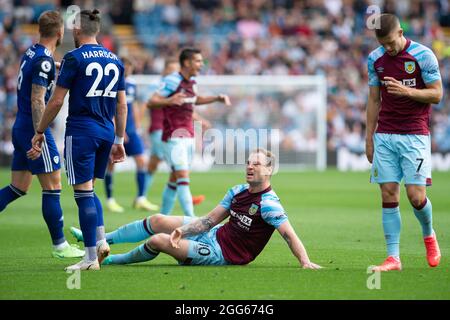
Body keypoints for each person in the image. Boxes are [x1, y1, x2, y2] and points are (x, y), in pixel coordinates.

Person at [70, 149, 322, 269]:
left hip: (222, 255)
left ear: (269, 170)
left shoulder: (269, 205)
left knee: (159, 240)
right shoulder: (237, 191)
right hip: (213, 235)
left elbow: (289, 234)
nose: (249, 167)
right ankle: (98, 239)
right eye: (248, 163)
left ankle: (110, 260)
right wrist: (185, 230)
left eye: (256, 164)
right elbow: (210, 220)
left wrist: (305, 262)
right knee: (158, 220)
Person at [28, 9, 127, 271]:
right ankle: (101, 240)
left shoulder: (74, 57)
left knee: (83, 194)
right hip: (107, 131)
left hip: (82, 131)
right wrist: (119, 139)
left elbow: (57, 100)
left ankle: (90, 258)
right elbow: (122, 105)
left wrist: (40, 130)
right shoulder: (116, 60)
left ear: (76, 30)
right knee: (90, 189)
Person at [0, 10, 84, 259]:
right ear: (60, 33)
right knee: (53, 186)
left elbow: (42, 69)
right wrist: (39, 133)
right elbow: (38, 99)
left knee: (18, 187)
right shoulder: (44, 60)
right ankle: (60, 246)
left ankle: (60, 244)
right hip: (33, 128)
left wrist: (59, 65)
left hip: (20, 125)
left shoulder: (31, 52)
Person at [366, 14, 442, 271]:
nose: (387, 48)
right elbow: (374, 100)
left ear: (400, 32)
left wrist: (407, 91)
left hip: (414, 134)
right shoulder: (375, 59)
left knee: (416, 197)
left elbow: (437, 94)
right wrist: (369, 137)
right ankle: (393, 258)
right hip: (385, 134)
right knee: (388, 193)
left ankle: (429, 235)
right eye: (382, 43)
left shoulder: (424, 55)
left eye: (390, 42)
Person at [148, 48, 231, 217]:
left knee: (174, 178)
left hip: (189, 135)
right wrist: (170, 100)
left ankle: (162, 219)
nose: (201, 64)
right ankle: (192, 222)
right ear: (187, 62)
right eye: (198, 61)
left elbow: (195, 99)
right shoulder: (172, 80)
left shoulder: (192, 81)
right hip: (173, 136)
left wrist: (216, 98)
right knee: (183, 178)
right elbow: (152, 101)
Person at [145, 58, 207, 213]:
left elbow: (185, 109)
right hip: (163, 130)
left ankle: (162, 213)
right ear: (165, 70)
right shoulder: (160, 86)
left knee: (172, 171)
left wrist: (200, 120)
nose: (175, 74)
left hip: (174, 131)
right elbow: (148, 103)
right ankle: (189, 210)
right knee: (179, 172)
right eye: (172, 70)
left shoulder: (178, 85)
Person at [104, 57, 159, 213]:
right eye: (125, 67)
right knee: (111, 164)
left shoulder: (132, 83)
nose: (128, 70)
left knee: (142, 161)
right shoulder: (111, 83)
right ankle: (110, 199)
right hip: (117, 130)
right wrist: (117, 130)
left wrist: (137, 124)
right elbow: (109, 108)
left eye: (130, 67)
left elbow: (132, 105)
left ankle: (141, 198)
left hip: (132, 130)